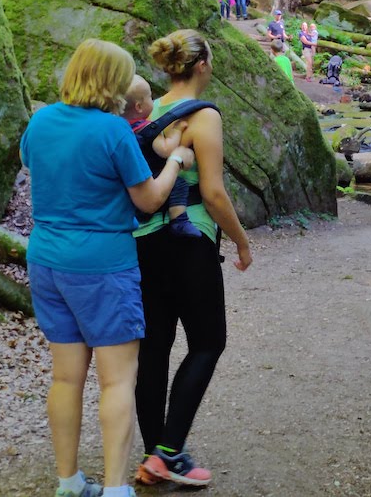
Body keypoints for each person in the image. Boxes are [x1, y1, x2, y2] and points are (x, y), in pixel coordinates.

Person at [21, 39, 194, 497]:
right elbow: (150, 199)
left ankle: (69, 481)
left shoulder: (40, 121)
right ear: (113, 82)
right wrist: (177, 160)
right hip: (101, 265)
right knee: (118, 379)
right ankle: (117, 488)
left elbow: (31, 162)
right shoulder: (113, 131)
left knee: (65, 377)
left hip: (46, 259)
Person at [133, 29, 252, 488]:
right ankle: (167, 452)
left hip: (144, 241)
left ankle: (153, 455)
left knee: (154, 350)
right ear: (202, 64)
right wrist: (241, 242)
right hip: (190, 238)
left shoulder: (150, 112)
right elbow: (215, 193)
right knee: (208, 342)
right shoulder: (204, 117)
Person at [123, 75, 202, 239]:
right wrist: (177, 130)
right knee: (178, 184)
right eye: (150, 97)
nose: (154, 101)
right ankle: (179, 220)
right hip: (151, 177)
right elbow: (166, 150)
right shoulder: (146, 129)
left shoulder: (119, 127)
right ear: (139, 106)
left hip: (130, 185)